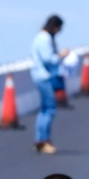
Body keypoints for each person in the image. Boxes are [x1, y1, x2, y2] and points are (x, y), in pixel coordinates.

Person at [30, 14, 69, 154]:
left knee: (44, 109)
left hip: (39, 75)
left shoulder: (39, 37)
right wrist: (61, 55)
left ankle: (40, 140)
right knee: (49, 109)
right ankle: (43, 140)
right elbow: (48, 59)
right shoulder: (45, 38)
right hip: (44, 76)